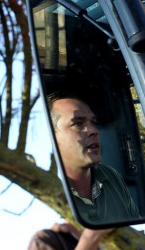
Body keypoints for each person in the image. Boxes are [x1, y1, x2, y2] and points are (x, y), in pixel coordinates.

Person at [48, 93, 139, 224]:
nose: (93, 130)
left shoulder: (111, 176)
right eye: (78, 124)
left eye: (93, 122)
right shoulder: (49, 192)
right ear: (52, 137)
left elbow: (136, 227)